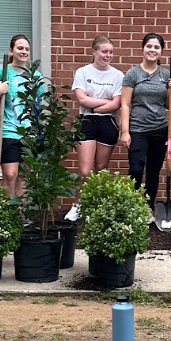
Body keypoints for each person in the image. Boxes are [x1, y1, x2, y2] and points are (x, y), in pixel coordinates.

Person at [120, 33, 171, 226]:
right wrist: (125, 131)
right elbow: (125, 104)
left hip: (160, 129)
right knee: (136, 169)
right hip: (137, 129)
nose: (152, 50)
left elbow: (169, 106)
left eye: (156, 47)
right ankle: (134, 206)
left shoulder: (165, 75)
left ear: (161, 51)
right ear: (143, 48)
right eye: (149, 46)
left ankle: (148, 208)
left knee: (153, 171)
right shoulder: (133, 74)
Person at [66, 36, 124, 221]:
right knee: (85, 170)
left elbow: (116, 104)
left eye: (111, 52)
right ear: (94, 52)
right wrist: (101, 104)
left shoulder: (117, 75)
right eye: (104, 51)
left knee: (101, 168)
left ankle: (95, 205)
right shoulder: (83, 72)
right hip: (87, 121)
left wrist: (96, 104)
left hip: (108, 123)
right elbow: (81, 99)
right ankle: (78, 205)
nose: (108, 55)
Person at [0, 34, 42, 197]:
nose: (23, 52)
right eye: (19, 48)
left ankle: (21, 216)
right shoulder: (1, 73)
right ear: (11, 51)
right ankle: (8, 213)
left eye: (26, 49)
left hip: (29, 132)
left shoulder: (35, 77)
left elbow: (39, 105)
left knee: (24, 175)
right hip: (8, 130)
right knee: (10, 175)